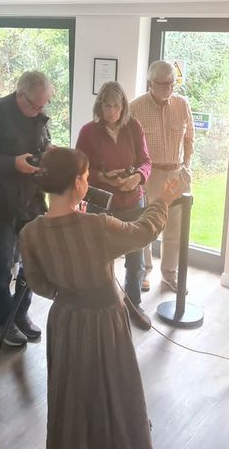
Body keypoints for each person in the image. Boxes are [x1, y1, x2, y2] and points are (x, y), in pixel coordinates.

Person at [19, 148, 179, 449]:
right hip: (105, 319)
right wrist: (163, 201)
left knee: (71, 387)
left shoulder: (30, 233)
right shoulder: (96, 226)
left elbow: (38, 284)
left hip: (64, 318)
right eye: (86, 176)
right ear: (78, 182)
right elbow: (143, 231)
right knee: (114, 384)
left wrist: (68, 291)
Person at [0, 71, 53, 346]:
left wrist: (49, 153)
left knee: (32, 263)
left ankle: (20, 313)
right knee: (1, 266)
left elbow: (43, 144)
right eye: (35, 105)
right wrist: (12, 163)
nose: (40, 110)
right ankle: (2, 322)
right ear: (20, 94)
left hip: (32, 200)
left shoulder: (38, 114)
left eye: (44, 104)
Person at [75, 81, 152, 326]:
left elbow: (146, 161)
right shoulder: (88, 132)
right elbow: (80, 168)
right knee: (101, 260)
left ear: (123, 106)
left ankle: (134, 305)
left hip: (133, 201)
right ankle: (104, 308)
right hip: (102, 204)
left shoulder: (133, 127)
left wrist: (138, 177)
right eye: (107, 106)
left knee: (135, 259)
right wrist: (102, 176)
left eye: (116, 106)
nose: (111, 112)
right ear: (100, 106)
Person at [130, 60, 194, 293]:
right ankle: (144, 272)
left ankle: (169, 275)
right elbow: (129, 146)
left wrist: (186, 166)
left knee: (174, 230)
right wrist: (137, 175)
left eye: (172, 83)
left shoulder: (182, 104)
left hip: (176, 173)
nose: (169, 87)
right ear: (151, 83)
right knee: (147, 226)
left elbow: (189, 139)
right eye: (163, 83)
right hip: (150, 174)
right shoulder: (136, 107)